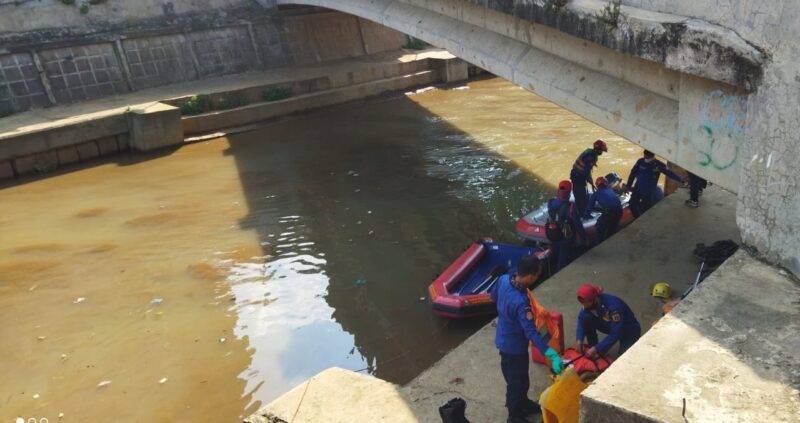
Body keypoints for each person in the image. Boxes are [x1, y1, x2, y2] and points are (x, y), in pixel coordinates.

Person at [491, 255, 564, 423]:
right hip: (514, 347)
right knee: (515, 382)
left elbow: (493, 297)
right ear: (530, 276)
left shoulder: (503, 280)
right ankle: (514, 416)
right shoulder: (521, 302)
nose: (537, 278)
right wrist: (551, 354)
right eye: (537, 275)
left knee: (522, 378)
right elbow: (531, 332)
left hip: (503, 337)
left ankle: (522, 403)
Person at [572, 284, 642, 359]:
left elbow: (616, 333)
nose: (584, 306)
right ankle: (592, 345)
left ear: (595, 299)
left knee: (622, 359)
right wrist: (579, 339)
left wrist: (597, 349)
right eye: (583, 303)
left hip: (628, 330)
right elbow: (582, 319)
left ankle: (595, 350)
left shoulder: (614, 308)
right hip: (609, 324)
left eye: (586, 303)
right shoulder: (589, 303)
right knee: (586, 319)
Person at [626, 150, 684, 218]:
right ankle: (636, 217)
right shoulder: (640, 161)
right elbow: (633, 173)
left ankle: (643, 220)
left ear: (652, 157)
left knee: (646, 209)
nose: (645, 159)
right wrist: (628, 185)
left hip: (649, 191)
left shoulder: (659, 165)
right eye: (644, 157)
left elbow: (670, 173)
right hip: (638, 187)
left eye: (647, 158)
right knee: (631, 204)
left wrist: (681, 180)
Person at [547, 180, 587, 271]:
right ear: (569, 193)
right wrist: (584, 238)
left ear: (558, 191)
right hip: (566, 237)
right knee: (563, 259)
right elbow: (578, 225)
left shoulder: (550, 203)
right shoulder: (571, 208)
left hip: (554, 234)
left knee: (556, 253)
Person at [570, 140, 608, 217]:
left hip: (576, 174)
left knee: (581, 194)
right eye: (602, 151)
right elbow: (587, 170)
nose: (602, 153)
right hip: (578, 177)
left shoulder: (590, 151)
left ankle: (581, 208)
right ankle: (582, 214)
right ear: (598, 150)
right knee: (581, 195)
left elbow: (586, 166)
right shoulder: (591, 156)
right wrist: (590, 179)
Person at [583, 176, 622, 243]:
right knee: (612, 228)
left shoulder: (595, 194)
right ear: (606, 183)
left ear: (597, 185)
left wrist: (585, 217)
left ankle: (599, 242)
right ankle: (611, 238)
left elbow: (589, 208)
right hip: (620, 211)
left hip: (610, 212)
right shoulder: (610, 189)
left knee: (599, 226)